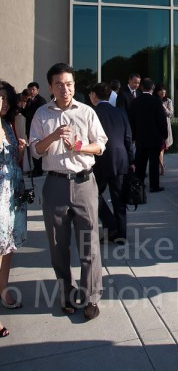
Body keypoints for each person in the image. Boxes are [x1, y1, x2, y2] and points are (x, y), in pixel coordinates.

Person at [29, 62, 108, 320]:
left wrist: (79, 146)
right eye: (60, 84)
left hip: (85, 183)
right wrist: (52, 137)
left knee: (89, 245)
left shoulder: (86, 112)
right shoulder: (42, 114)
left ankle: (91, 296)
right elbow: (35, 150)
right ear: (51, 87)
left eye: (70, 84)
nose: (66, 89)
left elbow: (100, 146)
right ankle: (66, 292)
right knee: (57, 245)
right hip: (55, 185)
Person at [89, 82, 134, 242]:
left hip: (99, 159)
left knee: (92, 194)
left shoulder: (91, 113)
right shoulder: (120, 112)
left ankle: (111, 224)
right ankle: (120, 233)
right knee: (118, 197)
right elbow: (128, 137)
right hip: (120, 158)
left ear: (94, 95)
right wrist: (131, 160)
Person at [0, 81, 27, 339]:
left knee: (7, 247)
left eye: (8, 100)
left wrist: (19, 150)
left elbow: (13, 162)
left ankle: (4, 288)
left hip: (11, 194)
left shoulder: (8, 125)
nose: (4, 104)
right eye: (0, 99)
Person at [129, 77, 168, 193]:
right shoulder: (156, 101)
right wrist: (164, 135)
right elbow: (162, 120)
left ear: (141, 87)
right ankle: (154, 186)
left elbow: (131, 121)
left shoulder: (135, 102)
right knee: (154, 162)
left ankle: (139, 185)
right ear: (153, 88)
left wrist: (134, 136)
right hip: (155, 138)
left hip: (141, 137)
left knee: (140, 162)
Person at [21, 81, 47, 176]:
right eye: (30, 89)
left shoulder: (41, 100)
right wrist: (19, 108)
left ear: (37, 90)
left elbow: (41, 115)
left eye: (33, 89)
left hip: (37, 129)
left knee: (37, 148)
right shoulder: (29, 100)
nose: (31, 91)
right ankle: (35, 168)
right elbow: (26, 113)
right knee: (32, 148)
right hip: (29, 128)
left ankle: (39, 169)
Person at [154, 84, 174, 175]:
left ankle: (161, 165)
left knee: (161, 148)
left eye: (164, 90)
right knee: (160, 148)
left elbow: (170, 114)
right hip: (156, 128)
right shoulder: (153, 100)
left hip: (165, 127)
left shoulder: (168, 101)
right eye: (161, 90)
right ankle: (161, 165)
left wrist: (163, 107)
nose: (163, 92)